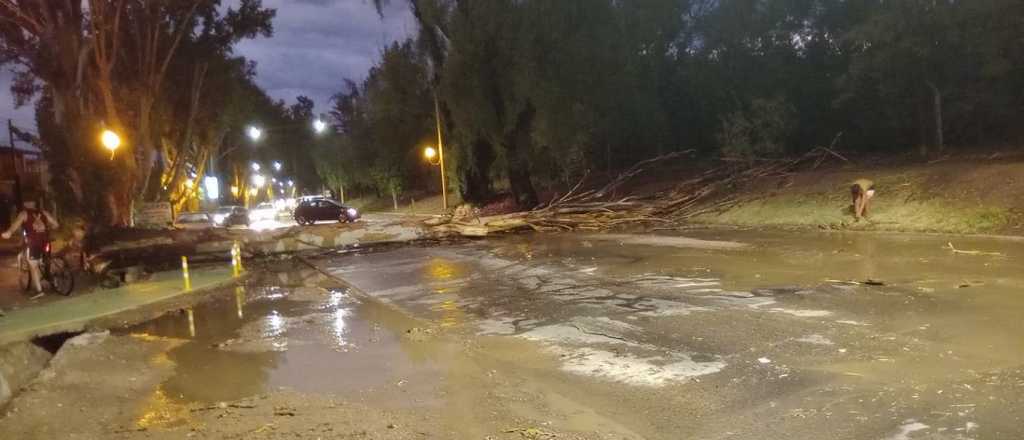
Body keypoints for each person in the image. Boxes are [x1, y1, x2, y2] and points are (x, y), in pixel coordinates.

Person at [1, 196, 59, 297]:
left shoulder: (24, 213)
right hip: (45, 241)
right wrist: (47, 228)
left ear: (25, 204)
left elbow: (15, 225)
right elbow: (56, 225)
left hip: (34, 243)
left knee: (33, 266)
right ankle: (51, 276)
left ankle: (39, 291)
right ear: (34, 203)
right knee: (45, 260)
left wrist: (8, 233)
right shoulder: (44, 212)